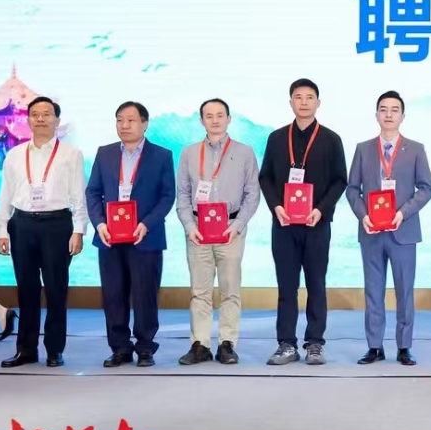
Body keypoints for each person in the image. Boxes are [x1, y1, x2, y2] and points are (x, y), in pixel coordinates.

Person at [259, 79, 347, 366]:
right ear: (291, 102)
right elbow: (265, 177)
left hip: (316, 224)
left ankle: (315, 343)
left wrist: (321, 210)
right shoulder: (276, 138)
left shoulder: (331, 139)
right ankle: (286, 343)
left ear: (318, 103)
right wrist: (276, 206)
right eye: (299, 97)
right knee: (286, 287)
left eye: (310, 97)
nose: (304, 102)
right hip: (284, 225)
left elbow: (340, 180)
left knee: (316, 284)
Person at [0, 96, 87, 367]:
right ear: (28, 120)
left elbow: (78, 195)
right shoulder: (15, 154)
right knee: (26, 289)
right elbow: (5, 195)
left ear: (57, 120)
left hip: (57, 225)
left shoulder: (71, 153)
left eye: (47, 114)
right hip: (22, 225)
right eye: (35, 114)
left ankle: (54, 349)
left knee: (56, 289)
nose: (41, 119)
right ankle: (26, 350)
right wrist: (2, 230)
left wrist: (79, 230)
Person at [345, 90, 431, 366]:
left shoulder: (416, 149)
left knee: (404, 291)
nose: (389, 114)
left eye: (394, 110)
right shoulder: (363, 149)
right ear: (376, 115)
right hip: (371, 231)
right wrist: (363, 215)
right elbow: (352, 189)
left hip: (403, 231)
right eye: (383, 109)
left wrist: (402, 213)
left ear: (403, 116)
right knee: (373, 291)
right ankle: (374, 346)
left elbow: (426, 188)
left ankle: (404, 347)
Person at [86, 101, 176, 368]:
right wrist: (99, 224)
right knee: (113, 295)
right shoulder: (104, 153)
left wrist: (146, 224)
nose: (124, 125)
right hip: (109, 237)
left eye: (131, 120)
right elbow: (93, 192)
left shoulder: (161, 155)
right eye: (119, 120)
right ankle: (120, 348)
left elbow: (167, 196)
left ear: (144, 124)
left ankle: (145, 347)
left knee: (145, 294)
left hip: (145, 237)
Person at [175, 98, 261, 366]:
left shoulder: (244, 152)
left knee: (229, 289)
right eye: (209, 116)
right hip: (198, 230)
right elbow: (183, 194)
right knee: (199, 291)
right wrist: (189, 226)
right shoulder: (189, 153)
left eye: (220, 115)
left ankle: (227, 344)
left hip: (230, 230)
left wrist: (238, 226)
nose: (215, 120)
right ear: (201, 120)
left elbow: (252, 194)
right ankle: (200, 344)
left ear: (228, 119)